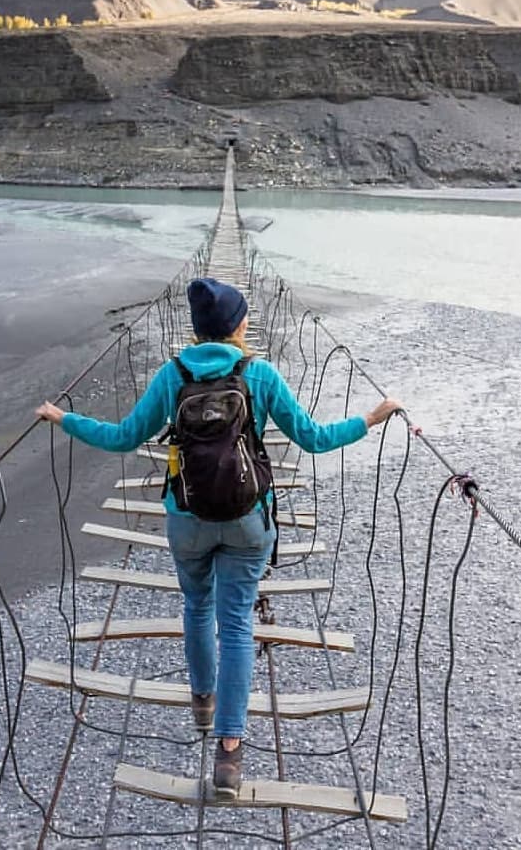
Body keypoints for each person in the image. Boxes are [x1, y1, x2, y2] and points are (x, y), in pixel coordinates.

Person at [36, 277, 400, 798]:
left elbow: (122, 437)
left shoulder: (173, 374)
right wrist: (372, 417)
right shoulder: (260, 374)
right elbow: (314, 440)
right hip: (248, 518)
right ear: (237, 325)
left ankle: (202, 701)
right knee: (236, 624)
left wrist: (62, 417)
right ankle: (229, 754)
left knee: (196, 608)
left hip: (187, 518)